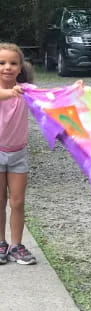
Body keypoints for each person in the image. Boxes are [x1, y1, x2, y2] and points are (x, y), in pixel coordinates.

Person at [0, 43, 36, 265]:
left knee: (18, 201)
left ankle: (16, 245)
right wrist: (11, 92)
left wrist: (75, 90)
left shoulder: (25, 90)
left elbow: (51, 98)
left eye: (13, 63)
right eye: (2, 63)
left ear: (20, 67)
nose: (7, 67)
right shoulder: (12, 92)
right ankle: (0, 243)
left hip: (18, 154)